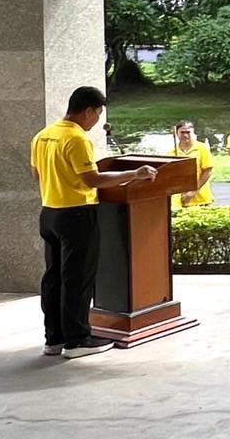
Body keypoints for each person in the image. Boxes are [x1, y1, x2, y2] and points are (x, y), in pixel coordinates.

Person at [31, 85, 156, 359]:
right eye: (98, 114)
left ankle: (54, 339)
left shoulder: (43, 135)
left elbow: (36, 175)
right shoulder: (76, 138)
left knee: (53, 278)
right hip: (76, 214)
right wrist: (135, 174)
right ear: (88, 111)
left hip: (49, 214)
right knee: (77, 279)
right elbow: (93, 179)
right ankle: (77, 340)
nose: (97, 120)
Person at [169, 120, 213, 209]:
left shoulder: (202, 148)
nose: (185, 135)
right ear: (176, 133)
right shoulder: (172, 153)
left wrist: (194, 190)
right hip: (180, 200)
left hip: (200, 199)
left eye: (188, 132)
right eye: (182, 132)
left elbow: (208, 171)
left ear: (193, 132)